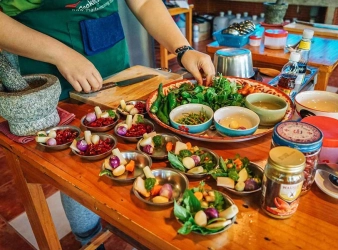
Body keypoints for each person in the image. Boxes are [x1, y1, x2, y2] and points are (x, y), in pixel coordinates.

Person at [0, 0, 215, 247]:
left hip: (110, 59)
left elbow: (144, 2)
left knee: (132, 150)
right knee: (76, 165)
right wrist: (59, 54)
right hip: (44, 64)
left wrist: (183, 49)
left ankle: (137, 226)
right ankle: (89, 238)